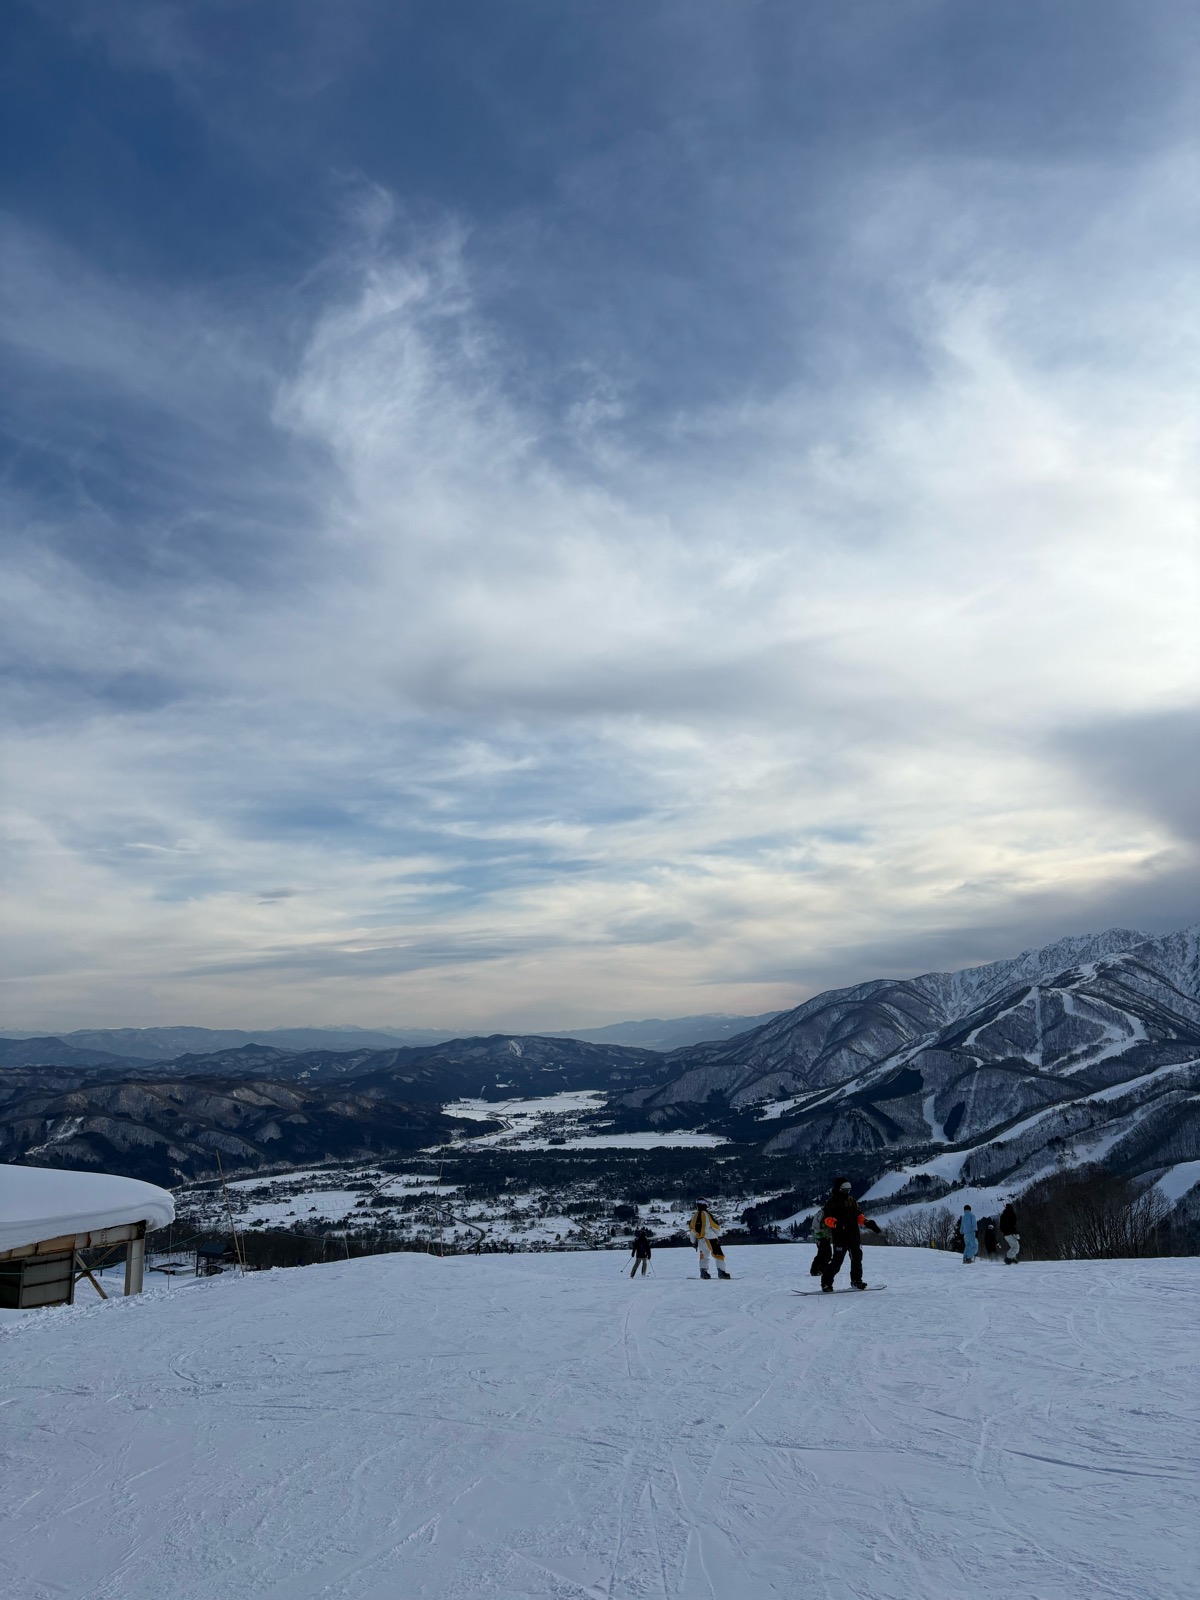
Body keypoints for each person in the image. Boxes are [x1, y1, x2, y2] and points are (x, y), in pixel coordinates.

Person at [819, 1177, 882, 1291]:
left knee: (857, 1259)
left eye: (848, 1190)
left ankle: (856, 1281)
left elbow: (858, 1215)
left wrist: (867, 1222)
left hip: (853, 1235)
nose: (846, 1192)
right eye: (844, 1190)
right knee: (837, 1262)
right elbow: (827, 1219)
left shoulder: (851, 1200)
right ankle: (826, 1283)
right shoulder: (831, 1202)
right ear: (838, 1189)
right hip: (840, 1237)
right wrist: (836, 1224)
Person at [688, 1200, 730, 1279]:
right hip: (711, 1239)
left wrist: (693, 1242)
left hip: (700, 1240)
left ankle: (703, 1273)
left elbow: (692, 1231)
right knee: (719, 1255)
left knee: (703, 1256)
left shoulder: (694, 1216)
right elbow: (716, 1227)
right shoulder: (707, 1214)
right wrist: (716, 1235)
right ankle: (721, 1272)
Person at [809, 1212, 834, 1278]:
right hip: (822, 1238)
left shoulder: (822, 1214)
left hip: (823, 1238)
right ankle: (815, 1270)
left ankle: (821, 1269)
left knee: (826, 1255)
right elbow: (820, 1227)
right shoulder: (823, 1214)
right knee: (822, 1255)